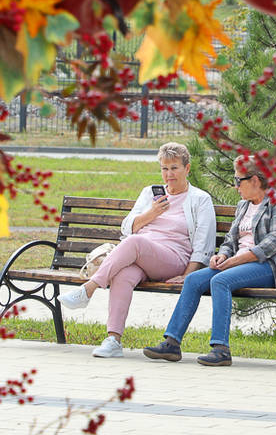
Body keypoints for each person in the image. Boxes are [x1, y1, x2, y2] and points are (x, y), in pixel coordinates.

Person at [59, 142, 216, 358]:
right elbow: (127, 226)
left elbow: (204, 244)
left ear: (187, 169)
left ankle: (89, 288)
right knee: (122, 274)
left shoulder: (200, 199)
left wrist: (187, 276)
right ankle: (114, 339)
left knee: (134, 243)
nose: (168, 174)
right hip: (141, 255)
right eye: (164, 168)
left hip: (173, 258)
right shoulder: (149, 193)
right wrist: (151, 213)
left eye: (174, 168)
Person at [143, 156, 276, 367]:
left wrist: (234, 262)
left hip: (270, 267)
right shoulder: (243, 205)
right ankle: (172, 343)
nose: (235, 186)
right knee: (193, 280)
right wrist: (223, 255)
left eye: (238, 181)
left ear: (254, 180)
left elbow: (272, 244)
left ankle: (221, 349)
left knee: (220, 280)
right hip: (238, 264)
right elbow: (230, 240)